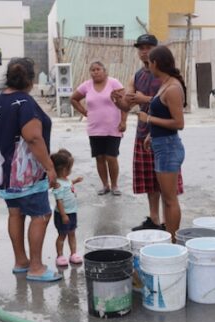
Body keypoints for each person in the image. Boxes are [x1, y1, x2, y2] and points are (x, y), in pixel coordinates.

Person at [0, 57, 61, 282]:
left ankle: (21, 262)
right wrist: (50, 167)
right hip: (25, 172)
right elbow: (32, 137)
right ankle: (37, 267)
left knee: (16, 213)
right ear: (30, 80)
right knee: (41, 215)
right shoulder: (25, 103)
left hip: (5, 171)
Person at [111, 34, 183, 231]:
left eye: (148, 47)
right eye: (140, 48)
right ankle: (155, 220)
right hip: (147, 133)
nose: (144, 51)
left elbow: (174, 112)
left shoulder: (168, 81)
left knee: (168, 192)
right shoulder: (136, 76)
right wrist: (117, 100)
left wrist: (145, 103)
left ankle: (170, 232)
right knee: (151, 183)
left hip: (164, 135)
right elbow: (128, 103)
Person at [137, 45, 186, 240]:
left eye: (149, 62)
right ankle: (170, 237)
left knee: (169, 199)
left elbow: (178, 123)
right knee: (167, 198)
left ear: (155, 63)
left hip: (168, 147)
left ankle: (173, 240)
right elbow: (164, 114)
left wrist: (148, 120)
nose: (147, 66)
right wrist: (151, 135)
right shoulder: (165, 84)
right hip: (161, 144)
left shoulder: (172, 87)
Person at [70, 62, 125, 196]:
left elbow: (125, 103)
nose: (95, 72)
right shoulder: (87, 85)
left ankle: (115, 185)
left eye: (98, 69)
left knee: (111, 157)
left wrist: (123, 121)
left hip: (113, 127)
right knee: (99, 157)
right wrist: (84, 112)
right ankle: (105, 185)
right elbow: (73, 99)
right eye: (93, 70)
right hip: (95, 128)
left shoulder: (114, 83)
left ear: (104, 71)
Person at [50, 149, 83, 266]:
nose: (71, 170)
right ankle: (60, 255)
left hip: (72, 212)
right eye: (70, 168)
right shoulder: (58, 184)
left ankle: (73, 253)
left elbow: (68, 185)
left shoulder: (65, 180)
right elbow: (59, 201)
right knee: (62, 235)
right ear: (64, 169)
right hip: (63, 214)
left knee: (72, 233)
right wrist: (63, 215)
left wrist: (75, 181)